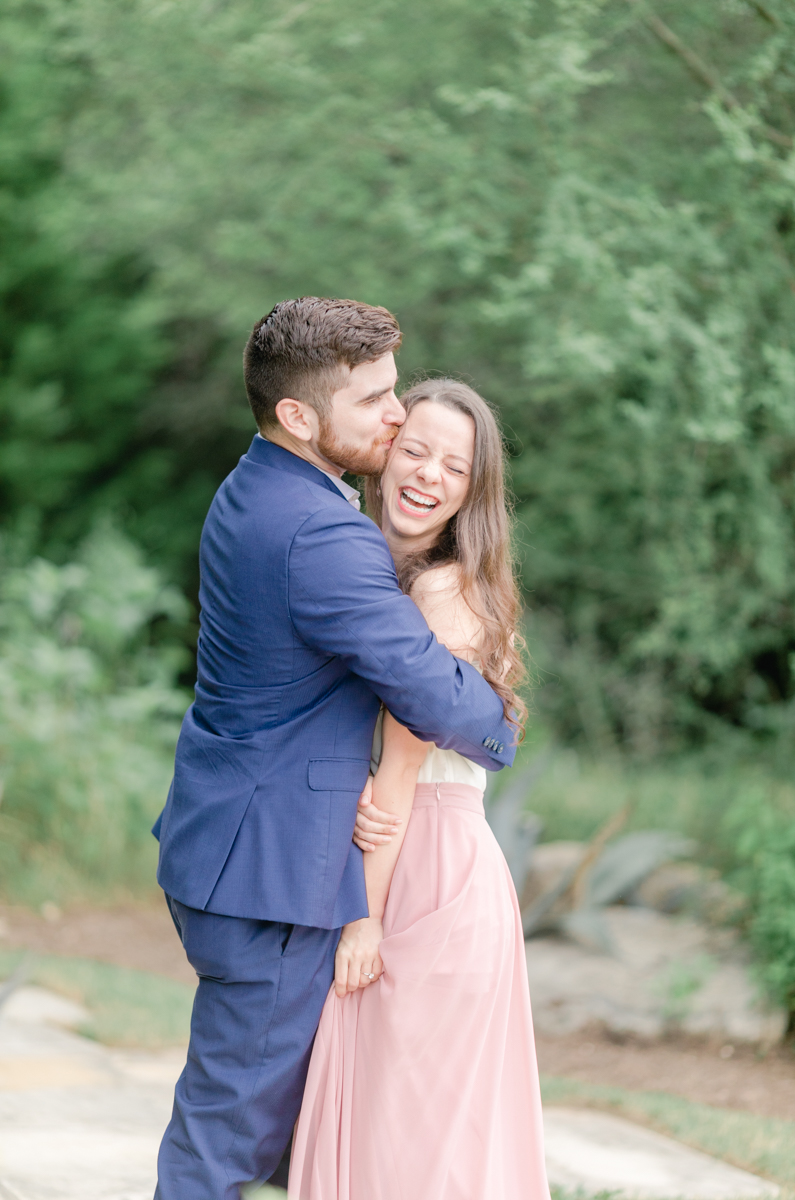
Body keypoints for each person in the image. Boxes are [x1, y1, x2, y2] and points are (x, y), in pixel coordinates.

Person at [152, 299, 517, 1199]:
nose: (396, 418)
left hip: (236, 846)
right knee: (225, 1145)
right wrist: (500, 721)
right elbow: (433, 694)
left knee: (298, 1131)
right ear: (298, 417)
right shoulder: (322, 531)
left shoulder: (257, 486)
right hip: (274, 874)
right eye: (375, 401)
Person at [289, 379, 551, 1200]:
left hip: (424, 869)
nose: (429, 475)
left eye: (456, 466)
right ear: (385, 453)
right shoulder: (387, 576)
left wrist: (360, 919)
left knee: (405, 1142)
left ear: (475, 491)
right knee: (413, 1135)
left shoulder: (439, 594)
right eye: (416, 450)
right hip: (428, 856)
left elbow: (399, 774)